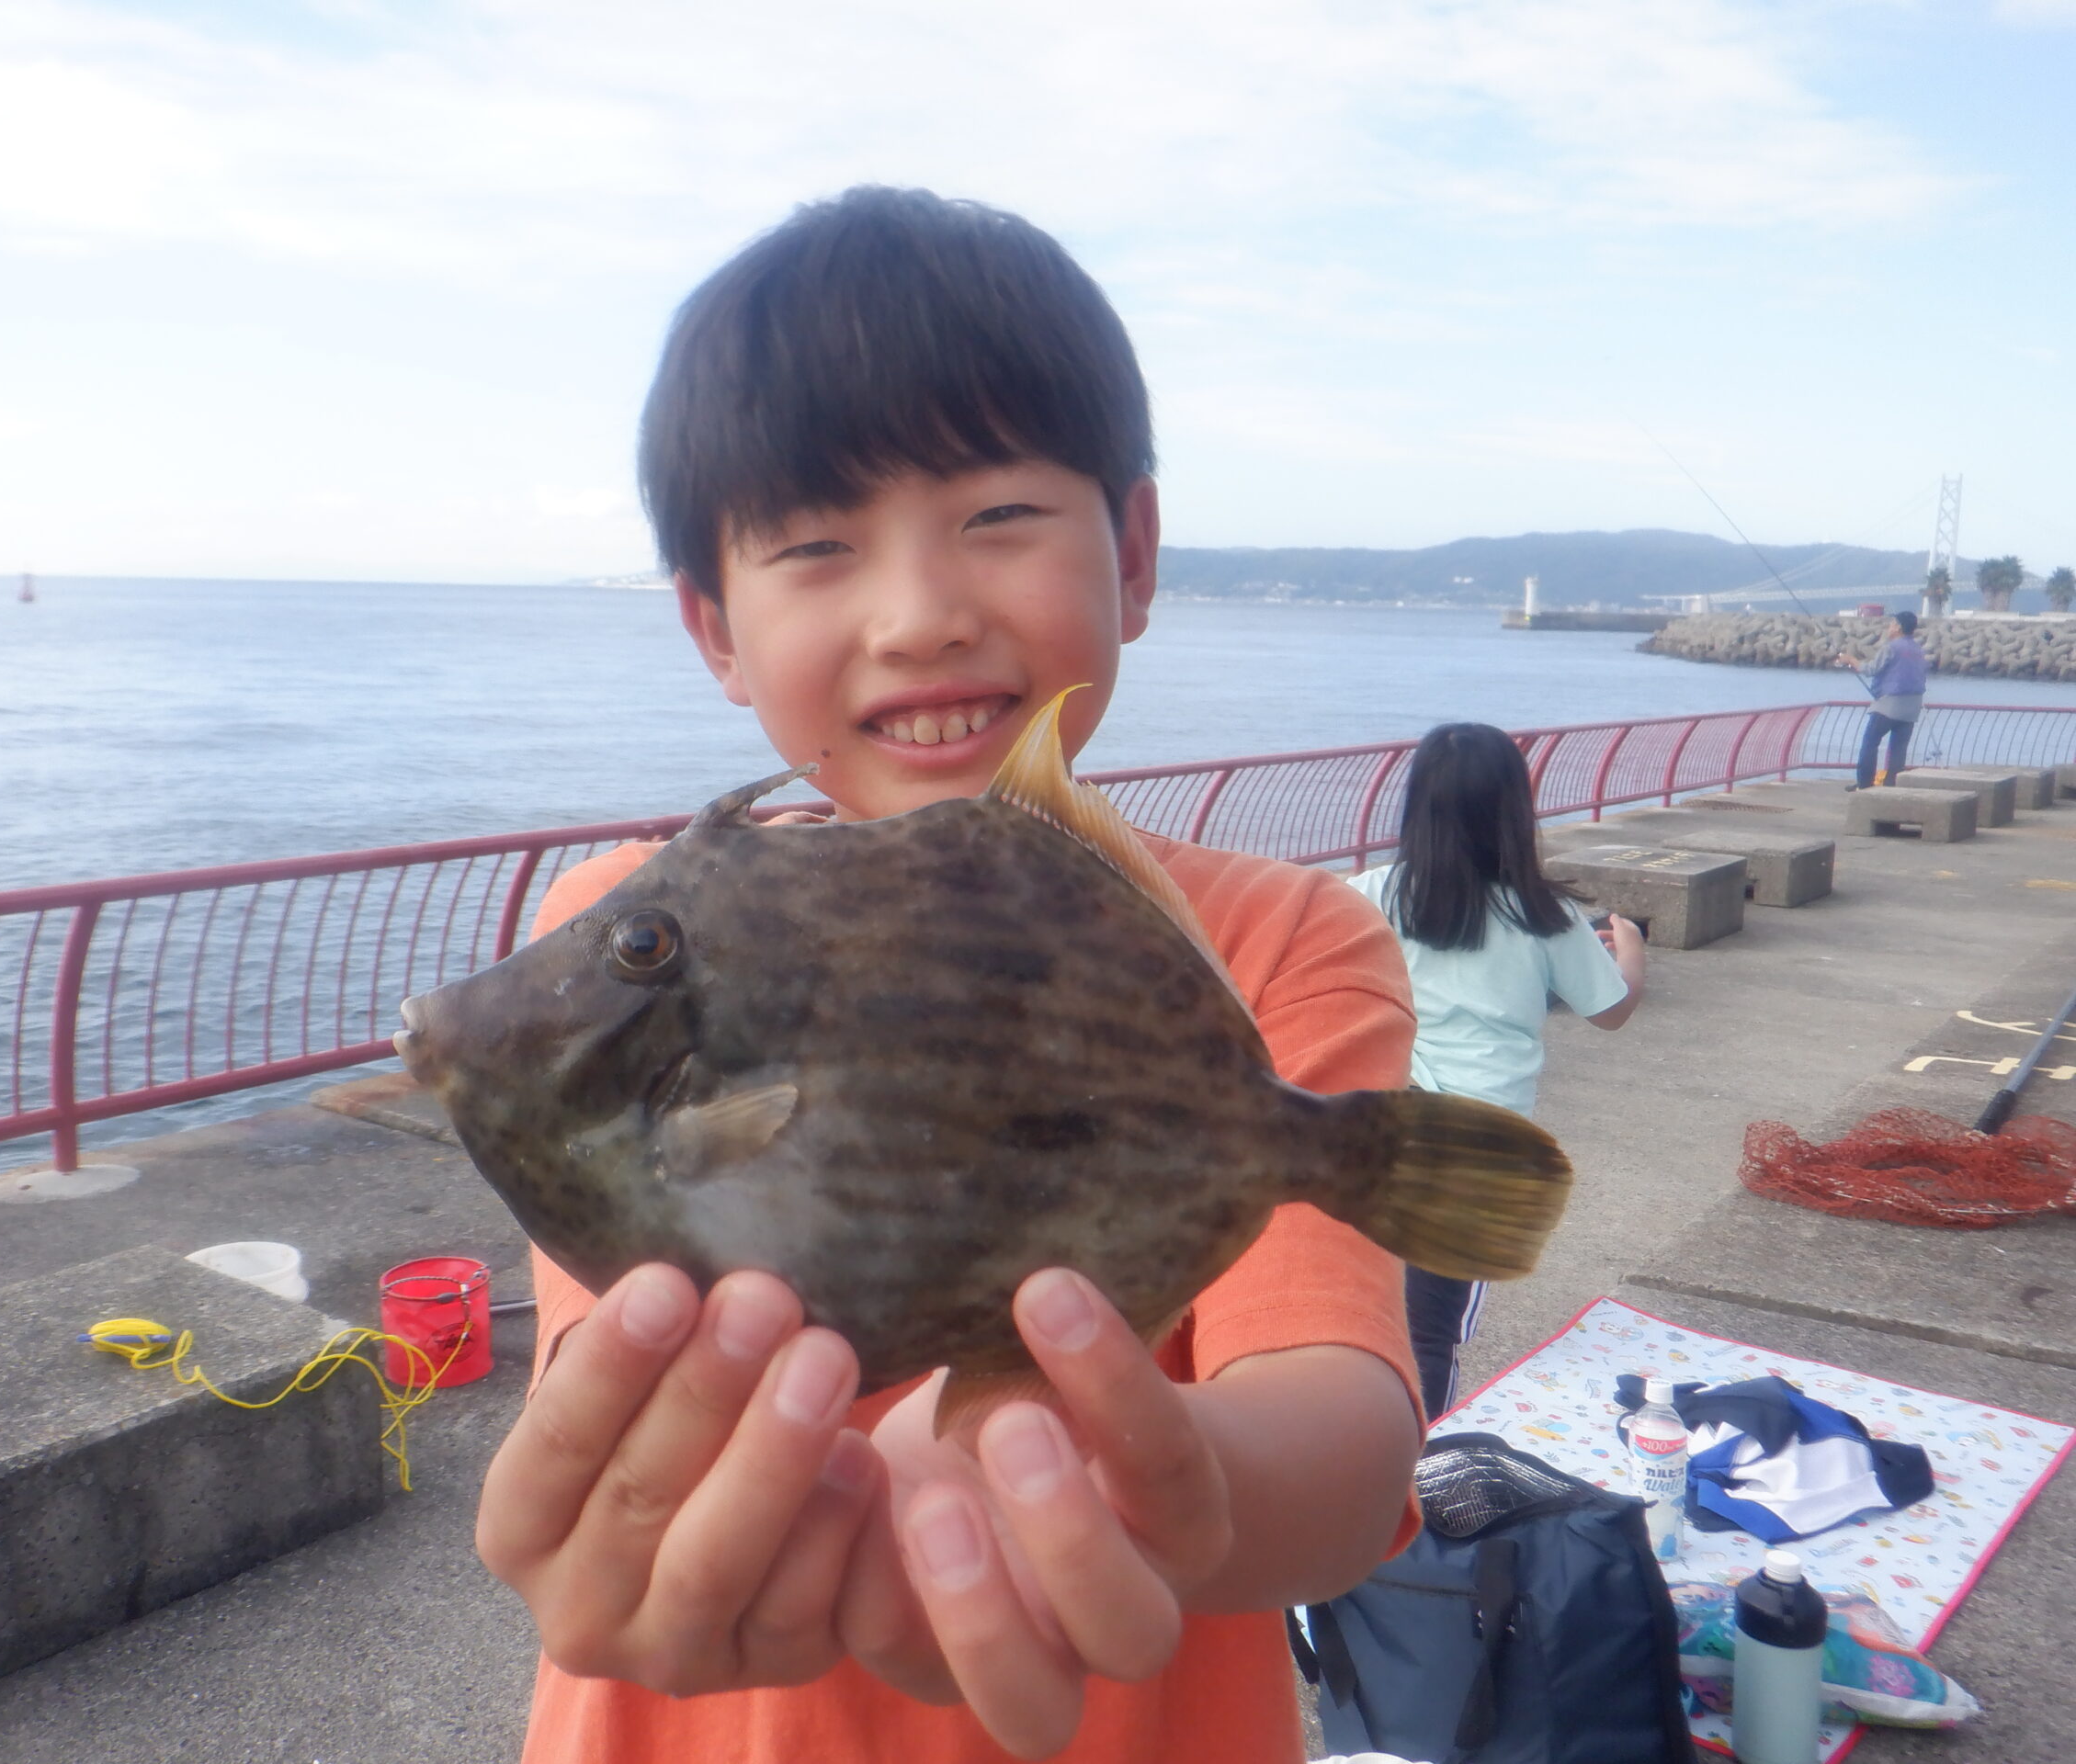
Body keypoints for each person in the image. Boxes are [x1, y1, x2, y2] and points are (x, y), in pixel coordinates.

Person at [473, 187, 1431, 1764]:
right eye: (815, 546)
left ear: (1133, 554)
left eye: (998, 516)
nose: (920, 617)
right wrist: (624, 1495)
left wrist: (1132, 1472)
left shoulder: (1275, 945)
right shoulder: (634, 933)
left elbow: (1341, 1438)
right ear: (715, 628)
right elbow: (613, 1326)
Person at [1344, 723, 1644, 1419]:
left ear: (1417, 804)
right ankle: (1419, 1465)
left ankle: (1357, 1455)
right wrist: (1630, 952)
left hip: (1383, 1128)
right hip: (1486, 1147)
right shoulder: (1545, 913)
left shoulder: (1370, 894)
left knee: (1362, 1311)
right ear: (1514, 808)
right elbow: (1612, 1012)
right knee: (1431, 1333)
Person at [1851, 610, 1928, 788]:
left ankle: (1864, 784)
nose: (1889, 627)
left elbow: (1871, 669)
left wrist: (1851, 660)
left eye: (1892, 624)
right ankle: (1891, 785)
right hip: (1912, 707)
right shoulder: (1918, 650)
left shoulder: (1892, 647)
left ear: (1898, 627)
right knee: (1898, 750)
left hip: (1889, 705)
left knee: (1870, 743)